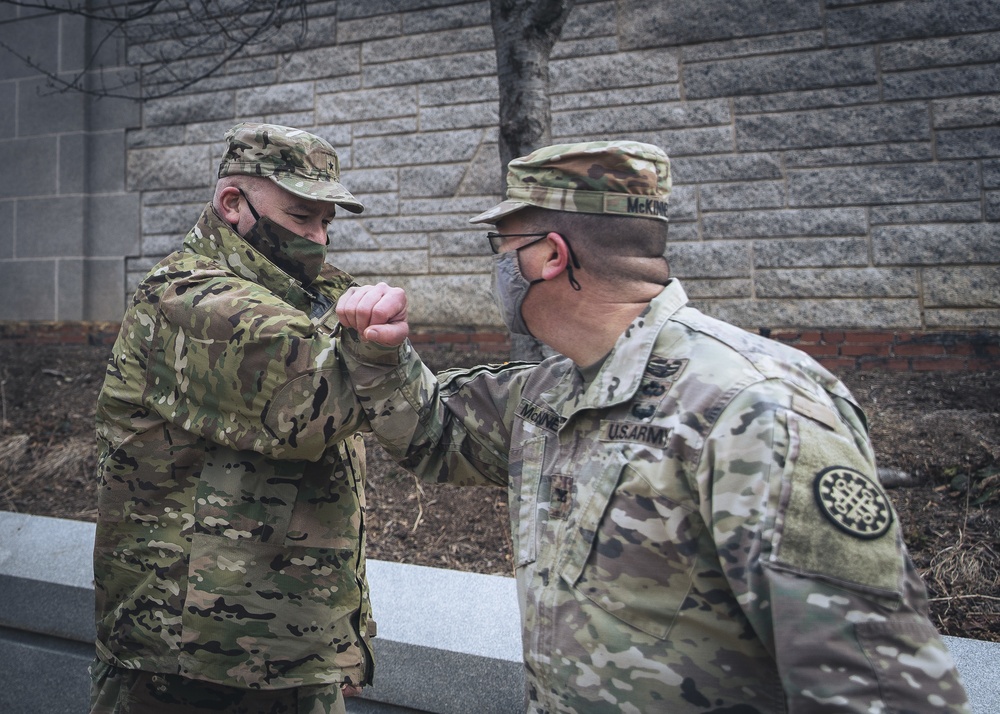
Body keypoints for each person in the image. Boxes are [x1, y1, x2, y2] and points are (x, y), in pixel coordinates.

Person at [335, 141, 972, 713]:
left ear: (549, 256)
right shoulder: (556, 387)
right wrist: (379, 348)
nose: (495, 268)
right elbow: (436, 432)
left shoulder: (755, 409)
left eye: (501, 247)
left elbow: (882, 692)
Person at [91, 123, 377, 714]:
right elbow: (316, 398)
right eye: (302, 217)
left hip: (293, 654)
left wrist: (344, 637)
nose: (319, 238)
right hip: (188, 666)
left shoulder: (308, 297)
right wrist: (380, 343)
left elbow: (331, 485)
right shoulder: (186, 300)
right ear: (232, 204)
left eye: (328, 221)